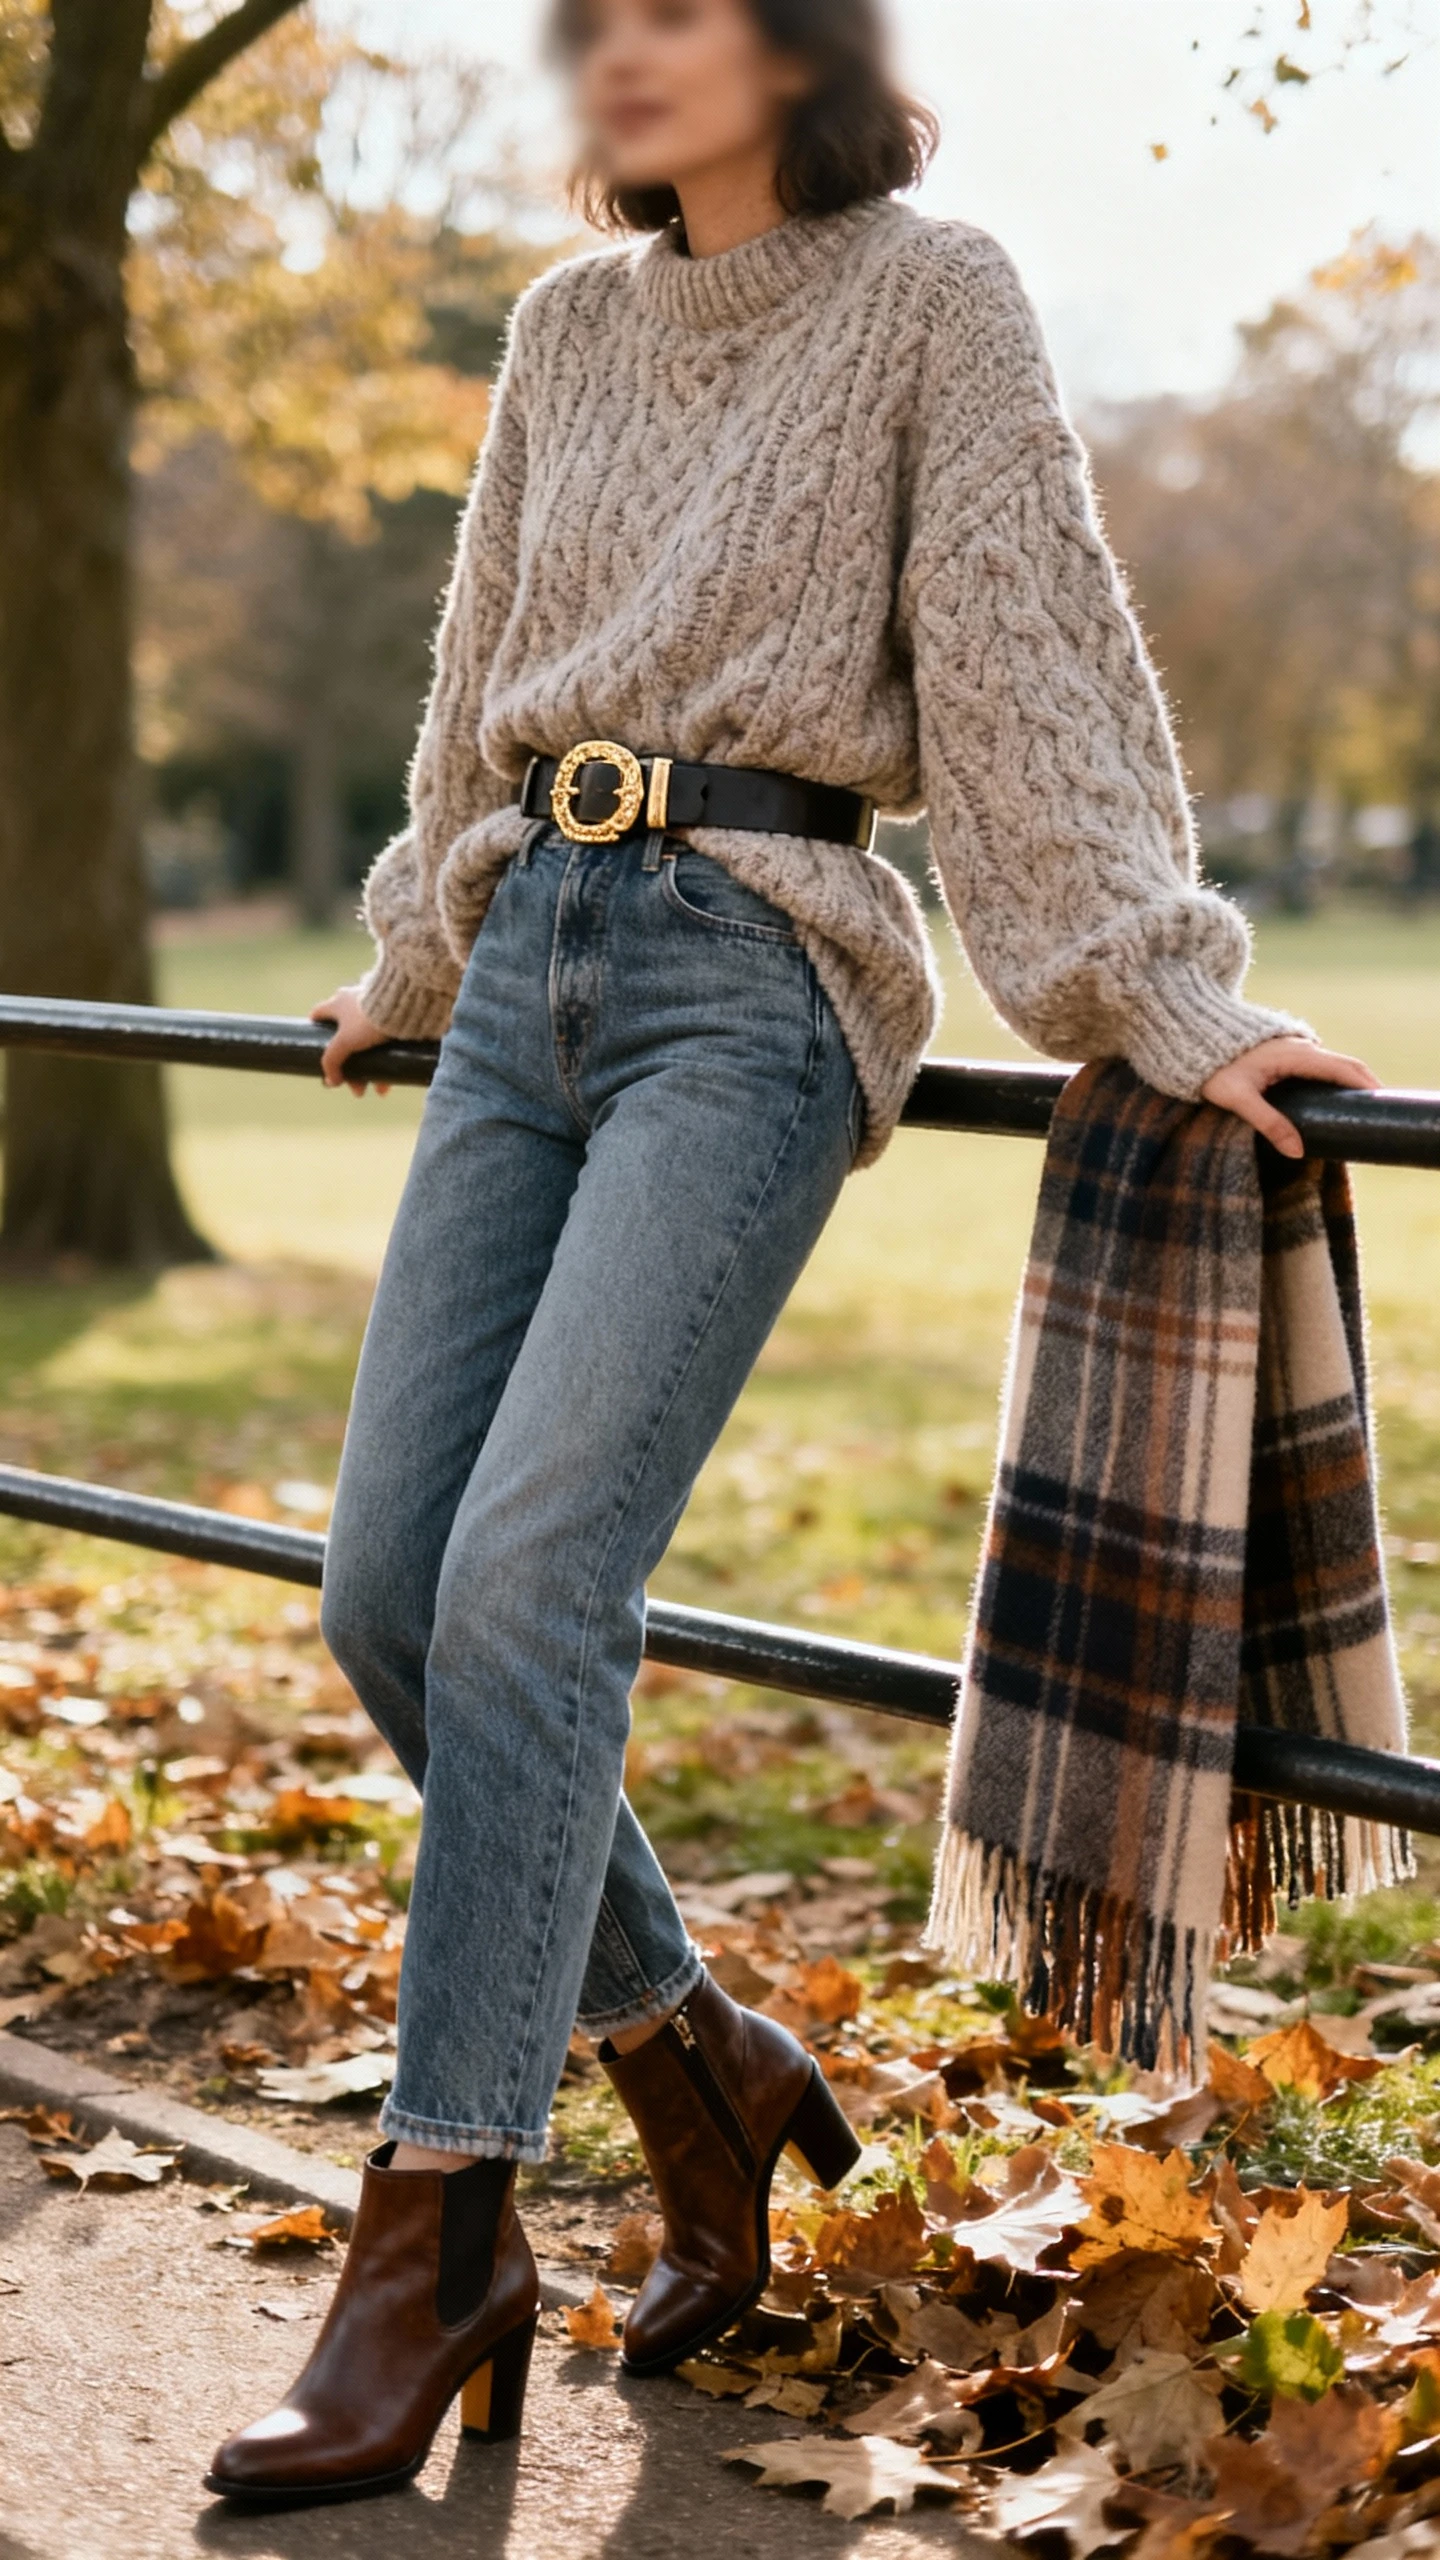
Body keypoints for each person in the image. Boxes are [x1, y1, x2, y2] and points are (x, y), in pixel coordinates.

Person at [205, 0, 1378, 2507]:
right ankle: (697, 2057)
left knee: (534, 1576)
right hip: (524, 964)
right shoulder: (559, 330)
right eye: (586, 23)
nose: (612, 54)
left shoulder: (929, 295)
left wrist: (1166, 993)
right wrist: (414, 951)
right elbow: (468, 699)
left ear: (799, 47)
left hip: (753, 973)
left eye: (672, 12)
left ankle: (436, 2230)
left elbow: (1035, 662)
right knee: (392, 1587)